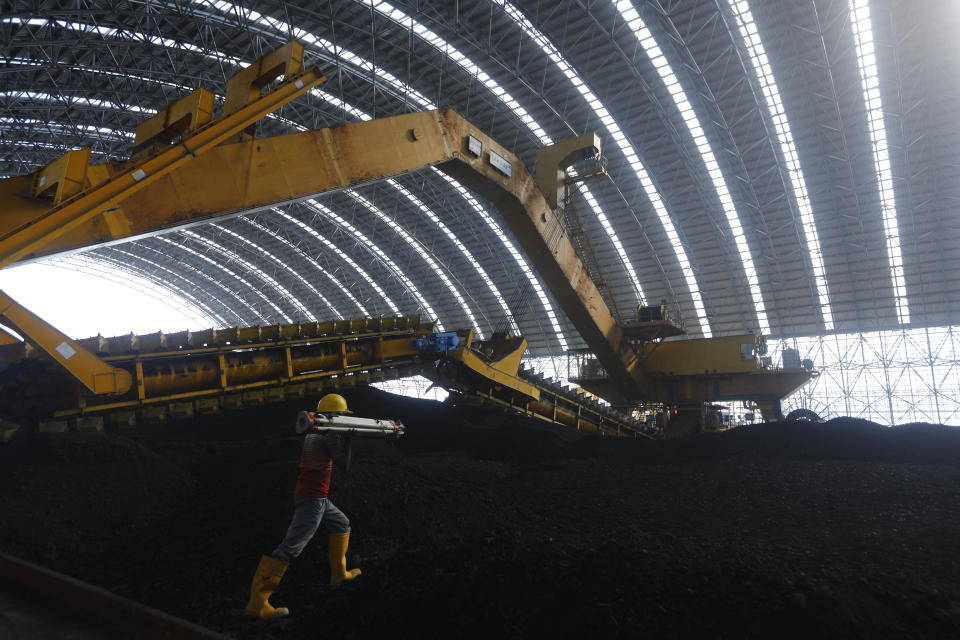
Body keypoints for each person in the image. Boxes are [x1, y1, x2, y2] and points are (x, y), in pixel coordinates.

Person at [245, 393, 361, 619]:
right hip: (313, 499)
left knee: (341, 524)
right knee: (290, 547)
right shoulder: (326, 435)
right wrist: (348, 440)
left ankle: (339, 575)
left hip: (314, 496)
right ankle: (258, 602)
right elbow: (345, 466)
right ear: (335, 416)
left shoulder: (313, 432)